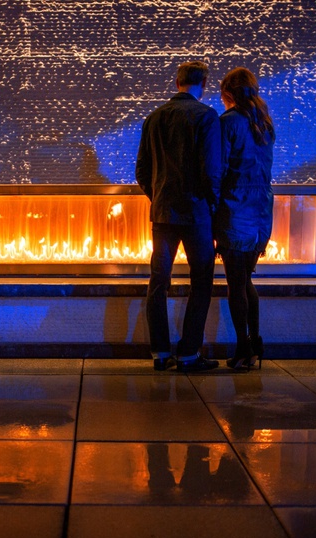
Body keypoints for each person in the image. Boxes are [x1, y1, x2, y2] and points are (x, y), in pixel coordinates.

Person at [136, 60, 222, 372]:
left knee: (158, 280)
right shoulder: (207, 117)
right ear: (204, 84)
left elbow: (142, 171)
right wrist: (212, 207)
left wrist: (158, 197)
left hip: (162, 214)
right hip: (197, 212)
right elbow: (212, 170)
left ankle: (160, 352)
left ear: (177, 83)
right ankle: (188, 353)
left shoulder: (154, 117)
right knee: (202, 280)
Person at [214, 67, 275, 370]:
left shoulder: (228, 123)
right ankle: (254, 343)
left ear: (228, 93)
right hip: (261, 213)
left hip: (235, 211)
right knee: (245, 280)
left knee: (236, 283)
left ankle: (243, 349)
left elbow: (219, 170)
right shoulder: (264, 123)